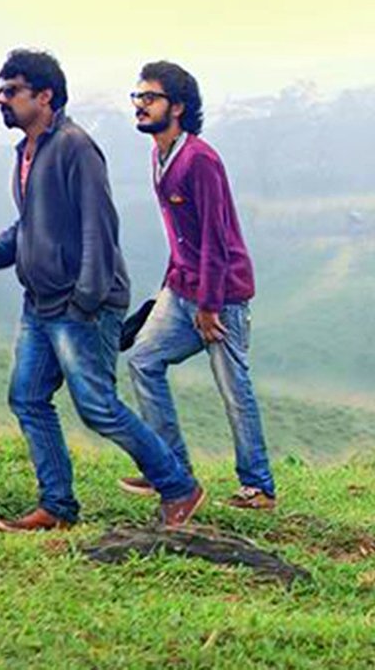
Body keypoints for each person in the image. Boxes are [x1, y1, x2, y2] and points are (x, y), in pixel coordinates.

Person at [0, 49, 203, 532]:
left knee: (97, 406)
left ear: (44, 96)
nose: (2, 100)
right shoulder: (27, 152)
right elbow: (31, 226)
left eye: (12, 91)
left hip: (80, 304)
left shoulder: (75, 147)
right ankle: (57, 506)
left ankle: (178, 486)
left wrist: (86, 300)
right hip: (40, 302)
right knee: (27, 397)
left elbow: (99, 228)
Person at [120, 60, 276, 510]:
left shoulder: (200, 160)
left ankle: (259, 487)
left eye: (151, 98)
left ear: (178, 107)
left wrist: (208, 305)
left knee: (233, 388)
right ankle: (171, 471)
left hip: (221, 296)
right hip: (181, 289)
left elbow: (215, 238)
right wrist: (164, 290)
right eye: (138, 96)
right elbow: (181, 236)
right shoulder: (159, 156)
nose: (141, 105)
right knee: (143, 361)